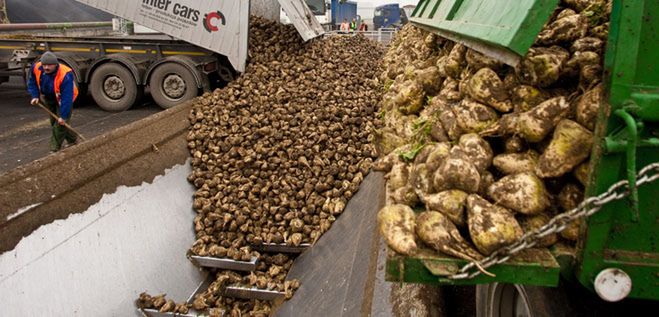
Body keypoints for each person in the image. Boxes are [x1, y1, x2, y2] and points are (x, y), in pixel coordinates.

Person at [27, 51, 79, 152]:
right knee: (54, 122)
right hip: (49, 97)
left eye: (49, 65)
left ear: (55, 65)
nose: (46, 67)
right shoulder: (36, 68)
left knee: (60, 124)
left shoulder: (65, 75)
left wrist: (63, 116)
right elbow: (32, 82)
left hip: (63, 98)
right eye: (44, 65)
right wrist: (35, 96)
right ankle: (73, 140)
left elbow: (67, 98)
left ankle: (54, 148)